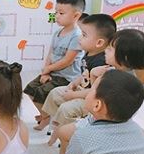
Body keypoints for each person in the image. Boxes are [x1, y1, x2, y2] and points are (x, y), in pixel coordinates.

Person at [43, 14, 116, 145]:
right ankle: (57, 124)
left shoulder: (102, 62)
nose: (79, 37)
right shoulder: (88, 52)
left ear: (99, 43)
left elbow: (96, 92)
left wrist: (73, 95)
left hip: (92, 99)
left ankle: (66, 134)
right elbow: (84, 74)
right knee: (55, 93)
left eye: (84, 35)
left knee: (66, 109)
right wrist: (74, 83)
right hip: (81, 90)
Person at [23, 0, 85, 131]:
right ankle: (45, 116)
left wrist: (49, 69)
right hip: (52, 72)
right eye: (56, 12)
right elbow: (50, 54)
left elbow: (67, 61)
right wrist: (45, 72)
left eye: (61, 13)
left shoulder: (77, 36)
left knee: (41, 93)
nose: (57, 16)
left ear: (76, 16)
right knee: (30, 89)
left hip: (66, 77)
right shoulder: (57, 33)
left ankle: (48, 117)